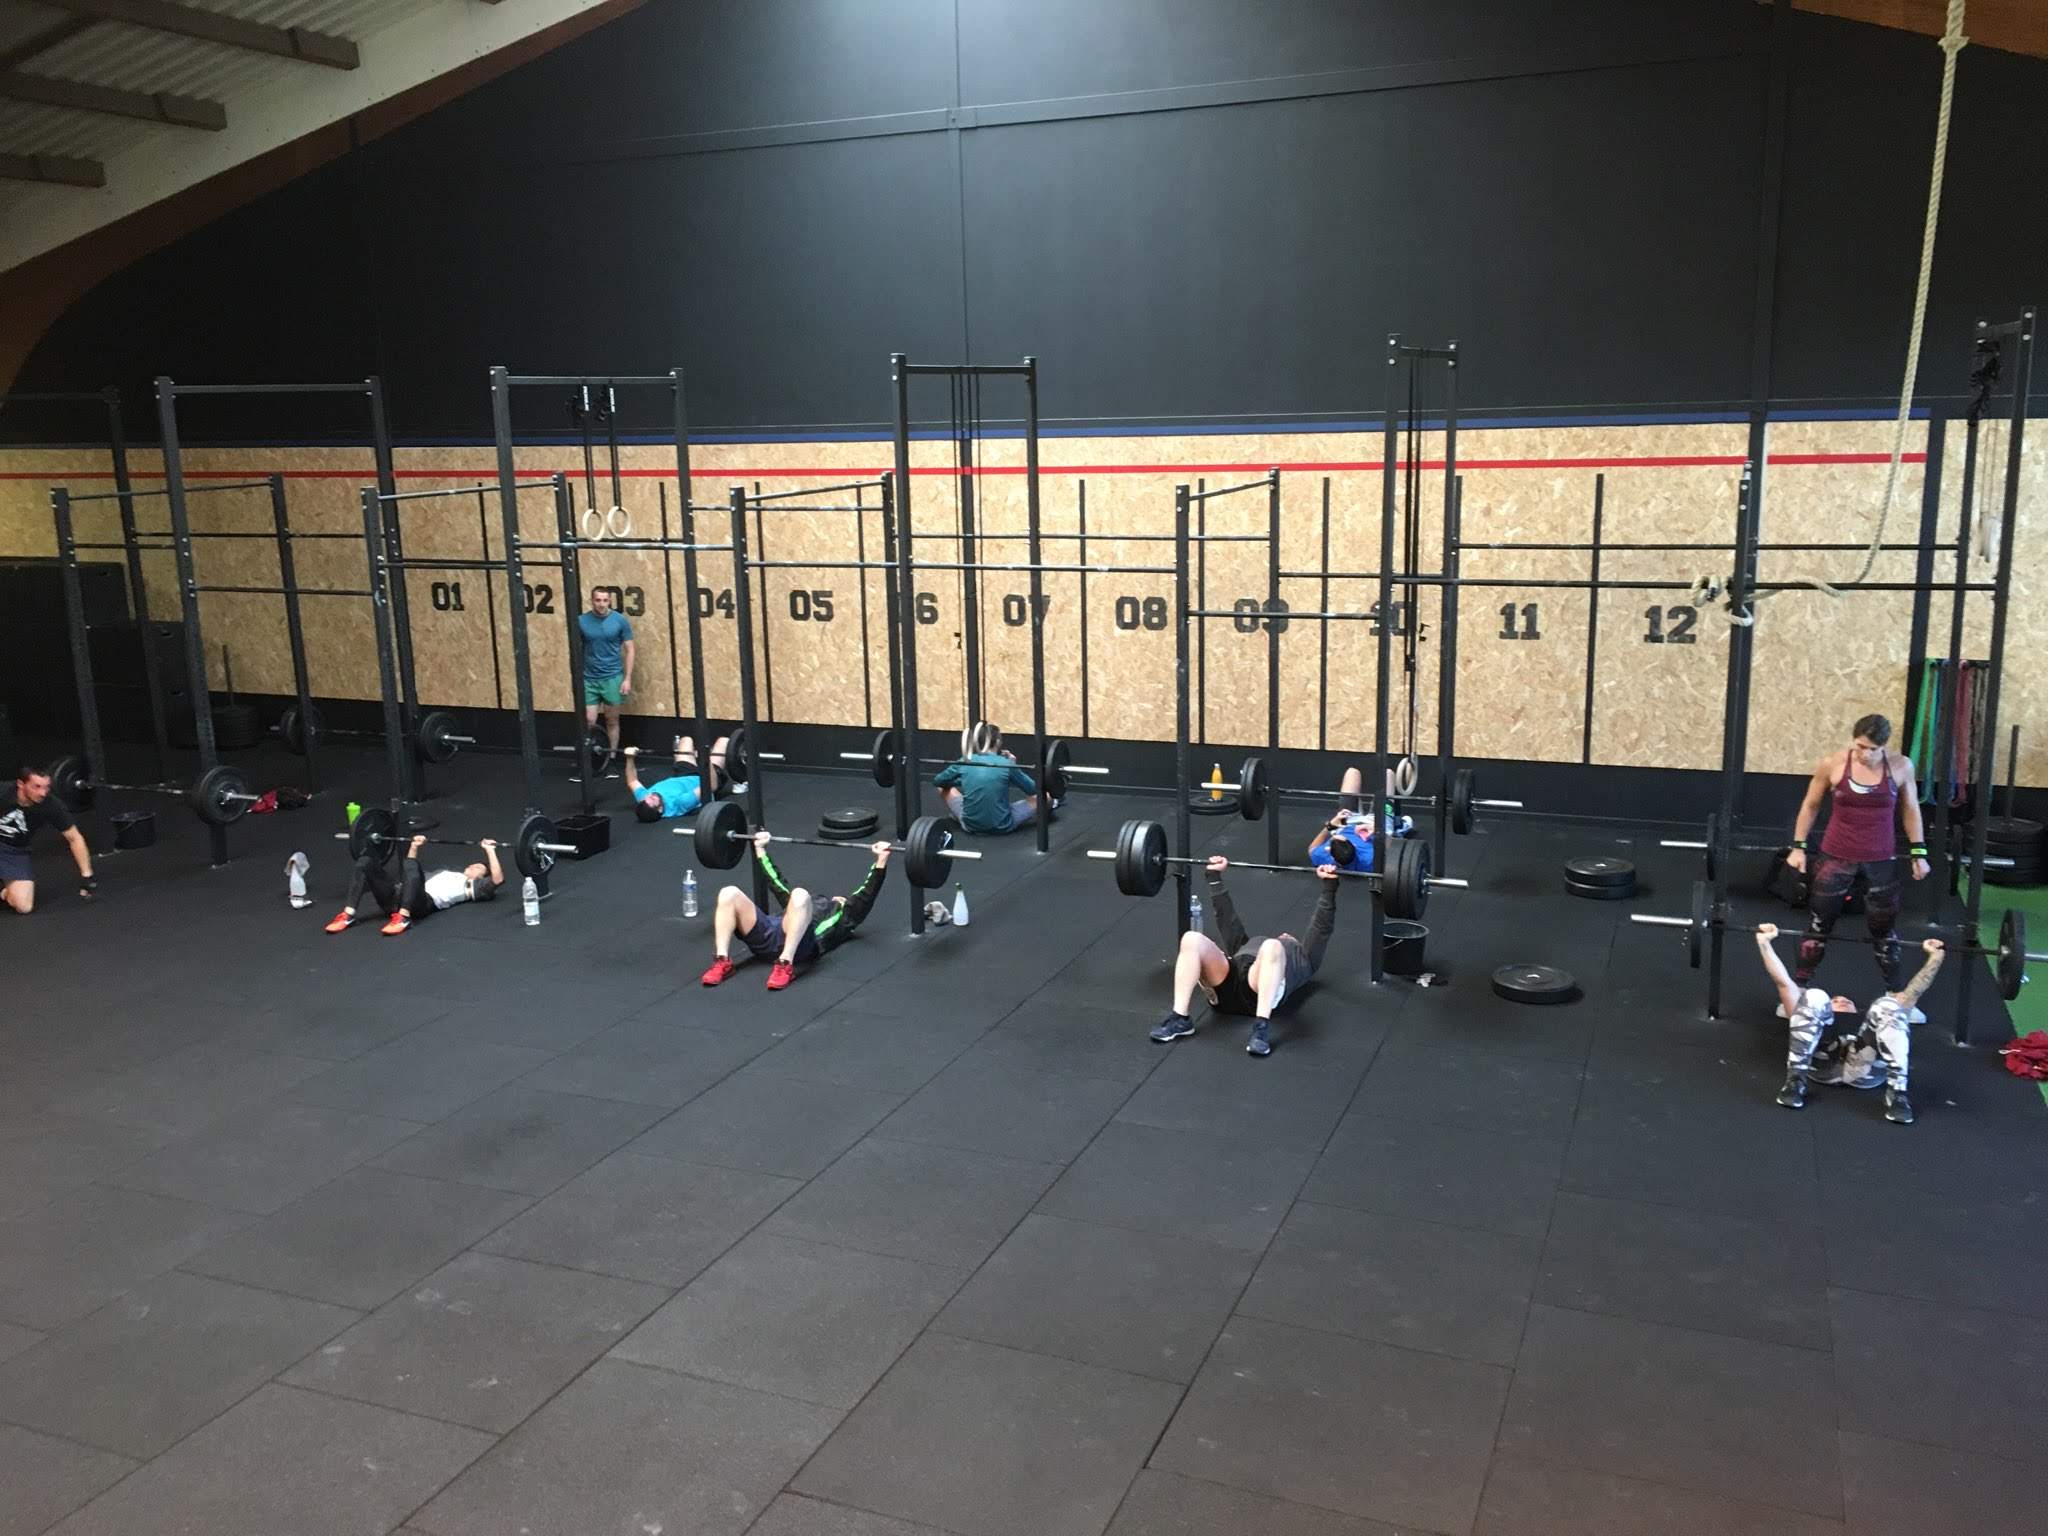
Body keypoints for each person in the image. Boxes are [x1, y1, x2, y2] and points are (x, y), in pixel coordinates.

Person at [1785, 714, 1930, 1016]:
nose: (1865, 754)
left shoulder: (1901, 766)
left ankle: (1897, 1001)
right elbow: (1810, 805)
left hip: (1881, 861)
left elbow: (1911, 809)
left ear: (1884, 746)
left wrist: (1919, 852)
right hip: (1835, 858)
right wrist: (1799, 847)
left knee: (1884, 932)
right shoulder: (1834, 764)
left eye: (1873, 749)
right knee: (1818, 926)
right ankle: (1796, 996)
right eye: (1860, 747)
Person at [1753, 921, 1943, 1125]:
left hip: (1866, 1068)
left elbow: (1913, 994)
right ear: (1830, 1008)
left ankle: (1898, 1094)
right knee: (1814, 995)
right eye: (1836, 1001)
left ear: (1856, 1009)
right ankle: (1795, 1081)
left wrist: (1935, 958)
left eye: (1847, 1001)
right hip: (1824, 1063)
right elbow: (1783, 983)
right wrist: (1764, 943)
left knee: (1888, 1005)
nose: (1842, 1000)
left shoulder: (1870, 1021)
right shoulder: (1819, 1016)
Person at [1150, 855, 1340, 1057]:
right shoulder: (1249, 945)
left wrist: (1329, 888)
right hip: (1228, 985)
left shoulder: (1303, 959)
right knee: (1191, 939)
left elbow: (1322, 927)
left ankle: (1261, 1029)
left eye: (1290, 937)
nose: (1286, 934)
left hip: (1259, 994)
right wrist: (1214, 877)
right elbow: (1227, 921)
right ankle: (1180, 1018)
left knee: (1272, 947)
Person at [701, 832, 890, 991]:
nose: (838, 897)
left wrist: (881, 860)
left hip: (800, 945)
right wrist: (760, 849)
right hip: (772, 933)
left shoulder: (845, 916)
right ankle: (722, 960)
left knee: (800, 894)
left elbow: (866, 894)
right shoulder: (800, 904)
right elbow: (776, 882)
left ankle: (785, 964)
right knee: (729, 893)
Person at [325, 833, 503, 935]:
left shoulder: (470, 886)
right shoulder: (444, 872)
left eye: (478, 868)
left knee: (412, 865)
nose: (472, 866)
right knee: (365, 862)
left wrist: (490, 850)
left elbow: (497, 880)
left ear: (480, 877)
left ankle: (403, 919)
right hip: (395, 897)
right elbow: (410, 872)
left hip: (421, 904)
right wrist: (415, 846)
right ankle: (348, 915)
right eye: (473, 864)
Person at [1, 764, 95, 913]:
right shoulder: (3, 791)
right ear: (21, 784)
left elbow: (74, 838)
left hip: (14, 851)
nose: (43, 793)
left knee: (24, 907)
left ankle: (5, 892)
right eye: (37, 787)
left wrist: (87, 875)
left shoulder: (51, 805)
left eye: (46, 787)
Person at [934, 722, 1049, 835]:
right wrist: (1014, 765)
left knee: (942, 787)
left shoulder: (965, 760)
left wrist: (964, 780)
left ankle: (964, 814)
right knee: (1046, 796)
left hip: (970, 826)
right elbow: (1033, 790)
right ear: (998, 742)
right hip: (1003, 826)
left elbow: (938, 781)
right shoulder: (1006, 763)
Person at [1306, 766, 1413, 874]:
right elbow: (1392, 848)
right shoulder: (1370, 860)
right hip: (1376, 825)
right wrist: (1377, 831)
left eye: (1335, 835)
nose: (1334, 835)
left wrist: (1331, 826)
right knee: (1388, 774)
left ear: (1329, 851)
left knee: (1352, 773)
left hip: (1348, 822)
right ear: (1354, 846)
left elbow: (1312, 849)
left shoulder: (1323, 856)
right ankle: (1398, 827)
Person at [578, 587, 635, 761]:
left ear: (609, 601)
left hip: (612, 678)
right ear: (592, 601)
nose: (601, 604)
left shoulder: (620, 621)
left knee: (612, 720)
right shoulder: (581, 621)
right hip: (589, 679)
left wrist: (627, 678)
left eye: (605, 600)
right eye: (598, 600)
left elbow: (630, 649)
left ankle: (611, 758)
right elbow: (576, 649)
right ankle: (590, 760)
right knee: (589, 721)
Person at [622, 735, 729, 823]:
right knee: (724, 741)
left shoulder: (646, 799)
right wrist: (705, 759)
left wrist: (629, 758)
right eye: (653, 799)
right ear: (660, 809)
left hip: (683, 775)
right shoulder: (680, 803)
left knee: (686, 740)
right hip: (705, 778)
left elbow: (632, 781)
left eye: (647, 797)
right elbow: (711, 786)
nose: (651, 795)